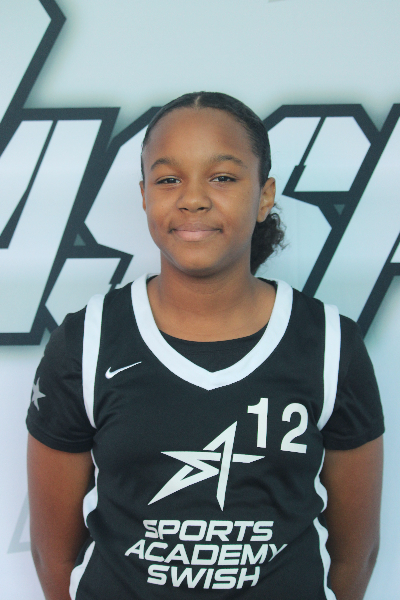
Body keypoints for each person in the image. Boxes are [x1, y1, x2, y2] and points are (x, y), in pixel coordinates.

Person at [26, 92, 384, 600]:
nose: (192, 198)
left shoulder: (329, 344)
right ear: (145, 195)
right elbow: (53, 555)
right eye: (168, 179)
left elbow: (356, 554)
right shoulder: (86, 343)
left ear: (264, 195)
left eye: (223, 177)